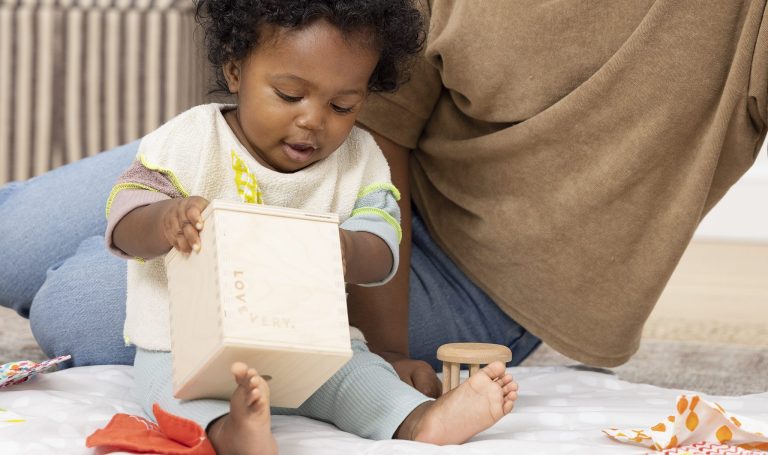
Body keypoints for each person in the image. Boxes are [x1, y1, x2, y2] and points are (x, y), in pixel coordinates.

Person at [1, 0, 766, 400]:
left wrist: (383, 352)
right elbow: (380, 131)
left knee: (77, 302)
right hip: (322, 176)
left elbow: (367, 190)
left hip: (476, 274)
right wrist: (163, 214)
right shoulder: (207, 132)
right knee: (13, 237)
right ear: (232, 70)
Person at [100, 1, 518, 453]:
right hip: (184, 347)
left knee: (362, 376)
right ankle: (232, 430)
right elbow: (123, 220)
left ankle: (419, 420)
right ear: (236, 70)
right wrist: (163, 220)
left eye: (342, 105)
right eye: (289, 95)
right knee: (170, 393)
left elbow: (382, 249)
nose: (313, 120)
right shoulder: (191, 141)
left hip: (310, 346)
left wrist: (348, 249)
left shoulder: (359, 160)